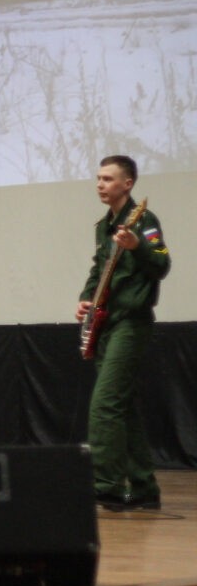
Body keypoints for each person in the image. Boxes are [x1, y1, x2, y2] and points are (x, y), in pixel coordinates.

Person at [75, 155, 169, 511]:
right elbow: (99, 268)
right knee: (123, 409)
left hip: (132, 322)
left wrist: (138, 247)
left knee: (105, 405)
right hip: (107, 323)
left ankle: (108, 485)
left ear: (127, 184)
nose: (100, 184)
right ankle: (144, 488)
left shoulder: (144, 220)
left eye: (108, 179)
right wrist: (86, 299)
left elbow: (162, 263)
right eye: (98, 178)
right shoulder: (104, 226)